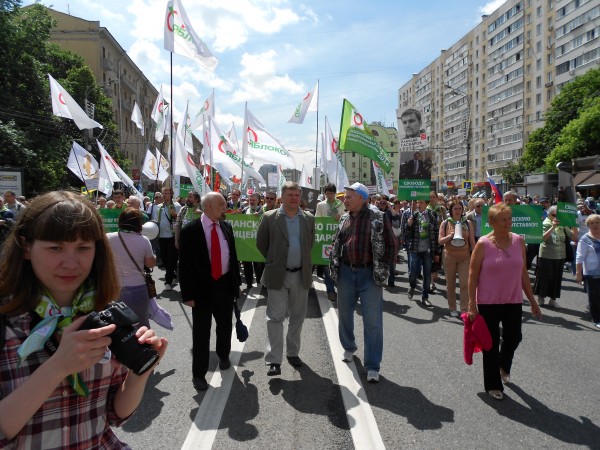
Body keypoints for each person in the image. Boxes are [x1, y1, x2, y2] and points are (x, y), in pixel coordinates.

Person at [0, 191, 167, 447]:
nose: (71, 263)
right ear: (26, 247)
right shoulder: (7, 322)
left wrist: (140, 372)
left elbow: (114, 414)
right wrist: (58, 366)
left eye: (83, 248)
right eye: (55, 248)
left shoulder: (105, 314)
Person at [468, 202, 541, 401]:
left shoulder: (518, 241)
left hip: (513, 299)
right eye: (503, 220)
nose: (508, 222)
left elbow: (523, 273)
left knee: (514, 337)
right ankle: (493, 384)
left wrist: (532, 301)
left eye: (509, 218)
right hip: (488, 301)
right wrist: (471, 304)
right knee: (490, 344)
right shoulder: (483, 244)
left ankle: (503, 364)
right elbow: (472, 276)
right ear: (492, 222)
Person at [329, 183, 397, 383]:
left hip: (369, 274)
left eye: (349, 197)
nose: (345, 200)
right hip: (346, 273)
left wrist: (382, 268)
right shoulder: (344, 218)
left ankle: (372, 365)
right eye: (345, 197)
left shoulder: (378, 217)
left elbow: (392, 245)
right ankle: (349, 347)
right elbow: (337, 243)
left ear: (362, 198)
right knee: (344, 314)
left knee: (372, 321)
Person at [179, 192, 242, 391]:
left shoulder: (226, 226)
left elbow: (233, 257)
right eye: (221, 204)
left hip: (224, 286)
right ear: (208, 207)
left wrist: (236, 285)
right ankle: (199, 375)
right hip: (201, 290)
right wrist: (187, 295)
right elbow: (184, 265)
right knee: (201, 333)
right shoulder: (190, 230)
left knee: (225, 325)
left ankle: (223, 355)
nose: (225, 208)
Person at [256, 181, 315, 377]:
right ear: (283, 197)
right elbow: (261, 244)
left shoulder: (308, 219)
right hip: (277, 274)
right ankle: (274, 360)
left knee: (297, 318)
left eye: (297, 195)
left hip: (300, 275)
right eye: (290, 195)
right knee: (275, 318)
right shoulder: (269, 217)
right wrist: (276, 260)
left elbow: (310, 244)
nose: (294, 198)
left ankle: (292, 353)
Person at [107, 208, 156, 328]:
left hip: (114, 288)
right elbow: (150, 264)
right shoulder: (143, 240)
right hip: (138, 287)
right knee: (142, 325)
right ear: (139, 223)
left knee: (118, 327)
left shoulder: (108, 238)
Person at [439, 200, 475, 317]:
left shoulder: (467, 223)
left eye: (460, 208)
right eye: (455, 209)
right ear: (451, 210)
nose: (458, 211)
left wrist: (475, 255)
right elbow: (440, 241)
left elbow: (472, 241)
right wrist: (450, 236)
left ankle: (464, 309)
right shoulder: (445, 223)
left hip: (465, 257)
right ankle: (452, 307)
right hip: (449, 256)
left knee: (465, 284)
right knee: (451, 284)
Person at [401, 199, 441, 307]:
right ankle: (412, 286)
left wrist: (437, 251)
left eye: (421, 202)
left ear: (426, 204)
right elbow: (406, 233)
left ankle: (425, 297)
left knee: (427, 274)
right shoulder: (413, 215)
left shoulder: (432, 215)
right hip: (415, 249)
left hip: (427, 250)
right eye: (417, 202)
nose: (418, 204)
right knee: (412, 272)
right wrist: (409, 225)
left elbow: (436, 232)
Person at [533, 206, 574, 308]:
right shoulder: (545, 223)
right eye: (554, 215)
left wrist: (573, 224)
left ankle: (553, 299)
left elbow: (573, 236)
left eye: (558, 215)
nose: (556, 217)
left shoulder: (562, 224)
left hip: (560, 255)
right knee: (544, 277)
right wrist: (553, 227)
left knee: (556, 278)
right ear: (549, 214)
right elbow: (542, 238)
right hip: (547, 255)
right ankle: (541, 297)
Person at [315, 183, 345, 299]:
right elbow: (317, 220)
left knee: (338, 264)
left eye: (331, 193)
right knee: (328, 264)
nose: (329, 196)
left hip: (338, 238)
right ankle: (330, 290)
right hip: (325, 238)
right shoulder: (321, 205)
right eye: (327, 193)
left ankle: (340, 288)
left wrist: (340, 216)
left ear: (335, 193)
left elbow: (345, 218)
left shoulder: (340, 204)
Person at [575, 214, 600, 329]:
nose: (595, 225)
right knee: (594, 297)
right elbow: (579, 257)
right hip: (592, 274)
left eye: (597, 222)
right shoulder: (585, 239)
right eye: (592, 223)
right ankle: (597, 319)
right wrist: (578, 273)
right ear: (588, 225)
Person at [157, 187, 181, 291]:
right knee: (164, 258)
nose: (165, 194)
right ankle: (173, 274)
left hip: (172, 236)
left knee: (171, 258)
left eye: (167, 193)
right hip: (161, 236)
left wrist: (174, 214)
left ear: (171, 194)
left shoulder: (176, 206)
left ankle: (168, 281)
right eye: (164, 193)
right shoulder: (159, 207)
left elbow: (181, 220)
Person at [241, 192, 265, 289]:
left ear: (258, 201)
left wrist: (260, 214)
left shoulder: (262, 210)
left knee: (258, 264)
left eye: (254, 200)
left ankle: (260, 280)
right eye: (250, 200)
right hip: (247, 242)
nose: (251, 202)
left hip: (257, 243)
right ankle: (249, 283)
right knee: (247, 264)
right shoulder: (244, 210)